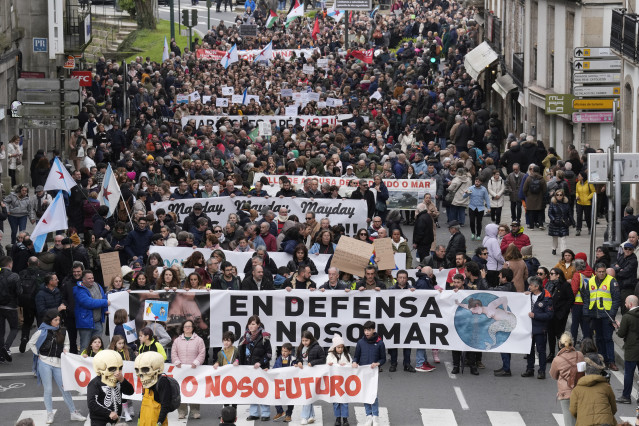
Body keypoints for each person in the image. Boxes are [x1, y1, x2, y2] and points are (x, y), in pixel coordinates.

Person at [27, 308, 87, 424]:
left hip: (58, 363)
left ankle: (73, 412)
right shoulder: (42, 331)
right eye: (55, 320)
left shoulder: (63, 331)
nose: (58, 322)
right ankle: (49, 413)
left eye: (59, 319)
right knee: (48, 390)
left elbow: (67, 343)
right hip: (44, 362)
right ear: (50, 320)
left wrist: (66, 350)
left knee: (65, 389)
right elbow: (31, 343)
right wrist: (38, 354)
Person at [581, 263, 621, 371]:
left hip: (607, 314)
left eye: (603, 271)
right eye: (599, 271)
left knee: (608, 338)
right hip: (594, 314)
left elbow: (616, 299)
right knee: (598, 338)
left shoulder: (612, 281)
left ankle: (611, 361)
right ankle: (602, 360)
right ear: (596, 272)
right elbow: (587, 299)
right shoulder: (590, 282)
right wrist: (586, 313)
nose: (602, 273)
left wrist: (611, 314)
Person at [569, 346, 617, 426]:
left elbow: (573, 411)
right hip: (605, 423)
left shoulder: (577, 390)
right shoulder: (606, 386)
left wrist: (582, 417)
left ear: (585, 373)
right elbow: (614, 409)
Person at [87, 349, 135, 426]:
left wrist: (122, 380)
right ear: (100, 368)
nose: (117, 372)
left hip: (115, 421)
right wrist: (108, 413)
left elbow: (130, 392)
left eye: (120, 368)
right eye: (112, 369)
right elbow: (92, 403)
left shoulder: (118, 380)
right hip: (99, 422)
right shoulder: (94, 383)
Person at [352, 321, 385, 426]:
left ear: (374, 330)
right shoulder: (360, 342)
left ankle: (375, 416)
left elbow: (383, 358)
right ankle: (368, 416)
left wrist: (378, 363)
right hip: (363, 372)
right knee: (365, 394)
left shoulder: (380, 343)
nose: (366, 332)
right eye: (365, 330)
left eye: (369, 330)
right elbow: (356, 356)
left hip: (373, 373)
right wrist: (354, 362)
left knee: (373, 394)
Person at [239, 315, 272, 421]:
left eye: (253, 324)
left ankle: (265, 413)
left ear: (258, 325)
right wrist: (238, 362)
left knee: (262, 390)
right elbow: (240, 354)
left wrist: (261, 363)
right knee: (251, 390)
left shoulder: (264, 337)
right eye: (249, 324)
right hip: (248, 368)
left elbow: (269, 354)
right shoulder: (244, 338)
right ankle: (254, 413)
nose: (251, 326)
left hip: (261, 368)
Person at [172, 320, 206, 419]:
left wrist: (196, 362)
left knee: (194, 390)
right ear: (182, 328)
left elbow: (202, 353)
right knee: (181, 391)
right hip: (181, 371)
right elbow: (174, 353)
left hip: (194, 371)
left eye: (189, 326)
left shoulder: (199, 340)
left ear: (193, 328)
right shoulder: (177, 341)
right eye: (185, 326)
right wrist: (177, 362)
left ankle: (195, 411)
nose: (187, 328)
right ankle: (182, 411)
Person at [549, 332, 585, 426]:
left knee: (569, 421)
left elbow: (553, 375)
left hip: (566, 393)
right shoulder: (579, 355)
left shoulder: (557, 359)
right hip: (580, 391)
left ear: (560, 344)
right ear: (572, 343)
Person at [522, 275, 553, 379]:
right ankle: (529, 369)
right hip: (528, 328)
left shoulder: (546, 298)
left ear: (536, 286)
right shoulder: (528, 295)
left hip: (540, 328)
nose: (529, 286)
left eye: (530, 285)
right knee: (529, 350)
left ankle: (542, 371)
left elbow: (549, 315)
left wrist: (535, 315)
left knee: (541, 351)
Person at [74, 270, 109, 350]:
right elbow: (89, 303)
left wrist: (105, 310)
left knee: (97, 347)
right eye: (89, 278)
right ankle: (83, 362)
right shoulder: (79, 290)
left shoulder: (97, 285)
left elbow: (103, 297)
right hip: (85, 324)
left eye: (92, 278)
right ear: (83, 280)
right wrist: (105, 302)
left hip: (98, 322)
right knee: (85, 347)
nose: (92, 280)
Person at [545, 268, 575, 362]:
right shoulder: (548, 284)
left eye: (552, 273)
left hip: (559, 314)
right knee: (550, 334)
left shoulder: (565, 285)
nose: (550, 275)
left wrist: (564, 311)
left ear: (558, 275)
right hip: (550, 313)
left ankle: (561, 353)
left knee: (559, 335)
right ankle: (551, 353)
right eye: (550, 273)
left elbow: (571, 299)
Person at [296, 331, 326, 424]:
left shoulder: (317, 348)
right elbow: (298, 358)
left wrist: (312, 363)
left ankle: (304, 417)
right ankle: (311, 416)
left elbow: (323, 359)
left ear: (311, 339)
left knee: (307, 394)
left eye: (306, 340)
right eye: (303, 340)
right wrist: (299, 362)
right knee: (308, 394)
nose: (304, 342)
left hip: (313, 374)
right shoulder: (301, 348)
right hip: (303, 374)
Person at [614, 295, 639, 404]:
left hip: (631, 350)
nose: (624, 305)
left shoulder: (627, 317)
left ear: (630, 304)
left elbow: (621, 334)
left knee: (629, 373)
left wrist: (617, 327)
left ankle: (626, 396)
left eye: (625, 303)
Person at [327, 334, 352, 426]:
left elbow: (350, 365)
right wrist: (330, 364)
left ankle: (345, 419)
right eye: (338, 347)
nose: (340, 349)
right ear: (334, 347)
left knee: (344, 401)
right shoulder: (330, 356)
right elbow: (326, 367)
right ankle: (338, 418)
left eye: (342, 347)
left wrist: (345, 365)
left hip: (344, 382)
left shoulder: (347, 355)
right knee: (336, 402)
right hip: (335, 382)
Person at [0, 255, 21, 362]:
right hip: (11, 306)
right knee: (14, 328)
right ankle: (6, 347)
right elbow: (19, 291)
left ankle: (0, 354)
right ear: (10, 264)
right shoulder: (14, 276)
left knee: (1, 331)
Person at [272, 342, 296, 422]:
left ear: (290, 352)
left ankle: (289, 414)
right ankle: (280, 411)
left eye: (285, 351)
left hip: (289, 382)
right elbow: (274, 368)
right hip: (280, 382)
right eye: (282, 351)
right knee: (276, 396)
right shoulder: (278, 359)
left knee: (290, 398)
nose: (283, 353)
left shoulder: (293, 360)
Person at [570, 259, 592, 342]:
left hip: (577, 303)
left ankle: (573, 343)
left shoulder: (577, 275)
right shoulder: (592, 275)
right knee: (586, 325)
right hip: (589, 303)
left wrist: (570, 303)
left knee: (575, 325)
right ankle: (588, 344)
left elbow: (574, 290)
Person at [463, 176, 491, 241]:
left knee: (479, 222)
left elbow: (487, 198)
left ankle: (478, 235)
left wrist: (489, 207)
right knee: (472, 221)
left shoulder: (484, 189)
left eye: (478, 182)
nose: (477, 183)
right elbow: (464, 196)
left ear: (481, 182)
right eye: (476, 181)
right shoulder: (471, 188)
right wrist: (466, 193)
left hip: (480, 208)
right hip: (472, 207)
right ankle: (473, 233)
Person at [614, 242, 638, 315]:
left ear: (633, 250)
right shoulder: (621, 257)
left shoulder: (633, 260)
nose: (627, 250)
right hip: (620, 285)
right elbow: (613, 266)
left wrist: (618, 269)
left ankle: (627, 323)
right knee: (621, 305)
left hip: (628, 287)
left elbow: (625, 273)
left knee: (626, 308)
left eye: (630, 249)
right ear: (623, 249)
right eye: (626, 248)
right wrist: (619, 269)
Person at [547, 189, 574, 255]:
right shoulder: (553, 203)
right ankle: (554, 248)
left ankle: (563, 251)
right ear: (555, 196)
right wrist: (553, 219)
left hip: (563, 223)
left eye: (560, 195)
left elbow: (569, 214)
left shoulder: (566, 204)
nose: (559, 196)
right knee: (555, 237)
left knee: (563, 238)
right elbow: (550, 213)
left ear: (563, 196)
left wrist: (572, 221)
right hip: (555, 223)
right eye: (557, 195)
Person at [574, 171, 595, 236]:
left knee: (587, 217)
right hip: (579, 202)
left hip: (587, 203)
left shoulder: (589, 183)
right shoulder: (578, 184)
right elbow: (577, 191)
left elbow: (593, 192)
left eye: (579, 176)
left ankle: (589, 228)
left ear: (583, 177)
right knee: (579, 216)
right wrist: (577, 196)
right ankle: (578, 229)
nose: (578, 177)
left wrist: (588, 197)